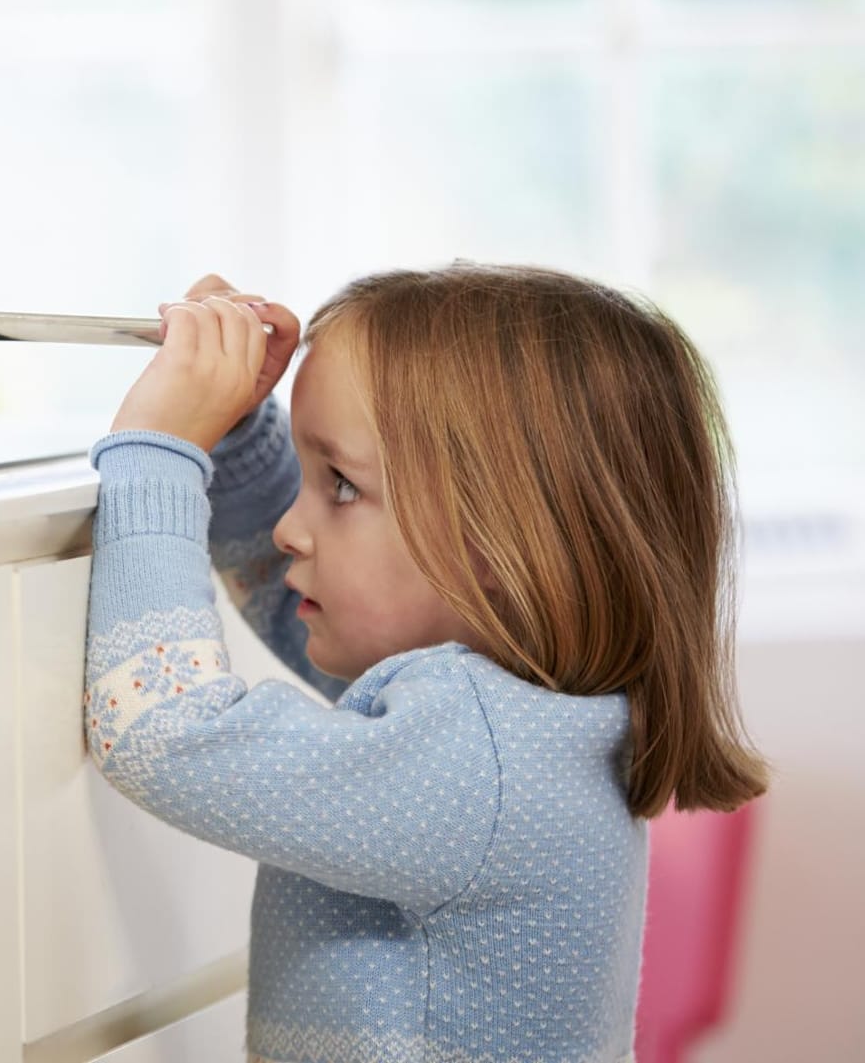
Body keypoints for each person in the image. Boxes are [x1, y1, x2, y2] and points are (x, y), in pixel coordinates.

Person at [83, 264, 770, 1063]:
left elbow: (158, 727)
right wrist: (232, 438)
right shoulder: (524, 717)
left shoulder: (477, 765)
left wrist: (157, 453)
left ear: (497, 541)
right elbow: (296, 599)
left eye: (339, 485)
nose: (289, 530)